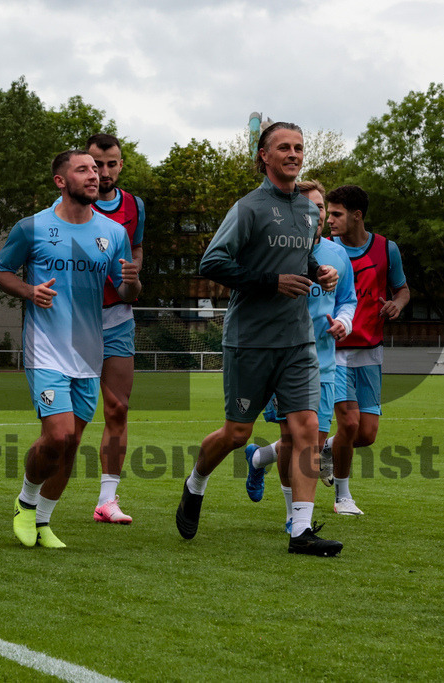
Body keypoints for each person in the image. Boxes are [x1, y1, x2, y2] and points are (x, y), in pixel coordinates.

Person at [177, 122, 342, 557]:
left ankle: (300, 531)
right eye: (283, 147)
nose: (293, 154)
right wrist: (272, 281)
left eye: (299, 148)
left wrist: (316, 272)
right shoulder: (248, 208)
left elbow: (298, 260)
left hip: (298, 341)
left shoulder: (309, 211)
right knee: (236, 433)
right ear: (264, 156)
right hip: (249, 340)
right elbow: (211, 262)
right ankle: (195, 482)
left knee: (306, 429)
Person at [0, 149, 139, 549]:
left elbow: (125, 291)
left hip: (90, 353)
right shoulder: (32, 227)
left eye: (96, 170)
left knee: (71, 442)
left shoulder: (113, 232)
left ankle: (43, 520)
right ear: (61, 180)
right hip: (46, 349)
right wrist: (28, 290)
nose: (94, 176)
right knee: (56, 436)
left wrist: (132, 282)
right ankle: (25, 501)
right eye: (83, 170)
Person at [243, 180, 356, 532]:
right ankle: (294, 515)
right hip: (285, 357)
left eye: (321, 207)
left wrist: (343, 323)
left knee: (316, 442)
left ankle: (260, 456)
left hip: (324, 361)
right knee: (293, 439)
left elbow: (347, 300)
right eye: (309, 207)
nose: (317, 214)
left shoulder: (338, 256)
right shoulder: (275, 251)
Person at [322, 184, 409, 515]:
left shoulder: (387, 249)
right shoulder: (325, 249)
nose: (329, 220)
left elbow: (401, 290)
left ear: (356, 216)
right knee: (349, 426)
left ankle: (269, 454)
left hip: (371, 351)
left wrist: (397, 304)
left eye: (336, 214)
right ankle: (343, 497)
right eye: (328, 213)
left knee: (367, 434)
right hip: (336, 349)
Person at [84, 133, 145, 525]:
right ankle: (34, 497)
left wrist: (132, 277)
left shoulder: (134, 206)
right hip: (74, 321)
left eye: (111, 164)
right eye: (95, 164)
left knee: (118, 408)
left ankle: (107, 499)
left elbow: (135, 252)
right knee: (69, 419)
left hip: (118, 317)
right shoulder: (65, 206)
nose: (103, 172)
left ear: (121, 165)